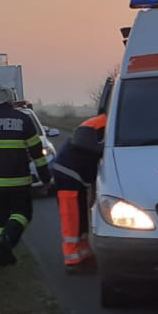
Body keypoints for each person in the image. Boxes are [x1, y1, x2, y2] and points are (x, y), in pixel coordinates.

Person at [0, 86, 52, 267]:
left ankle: (2, 257)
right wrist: (45, 177)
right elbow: (37, 153)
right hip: (20, 181)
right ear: (11, 100)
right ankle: (8, 238)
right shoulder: (23, 120)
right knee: (23, 213)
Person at [50, 112, 107, 269]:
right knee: (71, 215)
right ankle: (72, 259)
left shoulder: (103, 123)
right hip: (68, 173)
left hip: (76, 175)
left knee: (81, 214)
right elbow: (83, 142)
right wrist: (104, 149)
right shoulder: (101, 123)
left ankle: (83, 252)